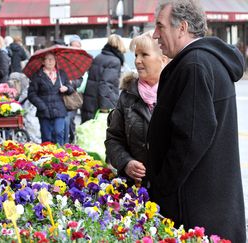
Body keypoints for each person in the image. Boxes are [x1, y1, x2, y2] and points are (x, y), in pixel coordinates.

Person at [148, 0, 246, 241]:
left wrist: (161, 186)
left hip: (195, 209)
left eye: (160, 27)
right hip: (212, 204)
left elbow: (189, 138)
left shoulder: (194, 65)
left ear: (181, 27)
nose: (155, 35)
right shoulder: (203, 61)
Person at [105, 31, 168, 187]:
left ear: (163, 60)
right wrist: (126, 163)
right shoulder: (127, 97)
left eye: (144, 55)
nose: (138, 61)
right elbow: (113, 139)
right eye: (136, 55)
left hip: (168, 188)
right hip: (136, 189)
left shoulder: (175, 94)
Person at [27, 52, 74, 145]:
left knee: (59, 133)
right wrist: (42, 106)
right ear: (43, 62)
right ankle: (47, 157)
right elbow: (31, 94)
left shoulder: (61, 74)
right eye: (47, 59)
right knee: (47, 137)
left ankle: (60, 155)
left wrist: (67, 88)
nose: (50, 61)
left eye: (52, 59)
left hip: (59, 109)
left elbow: (71, 88)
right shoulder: (37, 76)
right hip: (44, 111)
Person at [81, 34, 126, 123]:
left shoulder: (99, 57)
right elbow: (106, 85)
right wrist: (106, 107)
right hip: (100, 105)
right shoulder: (114, 61)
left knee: (90, 131)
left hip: (90, 102)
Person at [64, 35, 84, 143]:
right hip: (61, 95)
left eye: (78, 46)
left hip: (72, 97)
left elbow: (80, 79)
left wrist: (73, 83)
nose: (76, 48)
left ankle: (71, 139)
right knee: (65, 120)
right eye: (74, 45)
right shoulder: (64, 59)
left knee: (69, 119)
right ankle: (68, 140)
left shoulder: (80, 60)